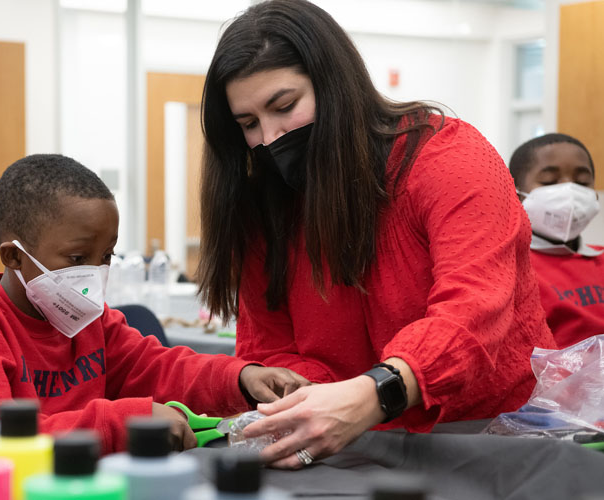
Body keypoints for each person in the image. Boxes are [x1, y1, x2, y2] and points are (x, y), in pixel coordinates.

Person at [195, 0, 556, 469]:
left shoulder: (448, 157)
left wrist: (371, 394)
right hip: (359, 449)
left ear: (335, 85)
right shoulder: (268, 205)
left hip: (496, 438)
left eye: (284, 106)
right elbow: (274, 349)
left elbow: (473, 313)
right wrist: (301, 396)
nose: (269, 137)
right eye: (248, 124)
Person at [0, 154, 309, 454]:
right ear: (14, 258)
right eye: (77, 258)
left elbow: (158, 367)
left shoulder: (88, 320)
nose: (94, 272)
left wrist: (241, 378)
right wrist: (125, 421)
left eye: (105, 256)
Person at [509, 133, 603, 349]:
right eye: (549, 181)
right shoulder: (510, 268)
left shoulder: (601, 258)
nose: (569, 192)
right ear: (516, 192)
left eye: (582, 182)